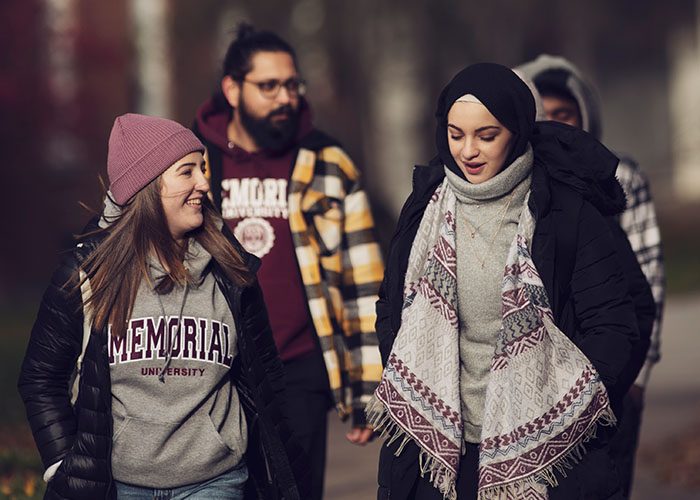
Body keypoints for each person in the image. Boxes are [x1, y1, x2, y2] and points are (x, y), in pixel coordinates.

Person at [368, 63, 648, 500]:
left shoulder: (565, 210)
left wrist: (569, 410)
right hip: (441, 453)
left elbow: (615, 326)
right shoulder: (425, 206)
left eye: (486, 135)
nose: (468, 151)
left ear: (516, 131)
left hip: (548, 453)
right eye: (456, 134)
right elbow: (391, 307)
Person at [18, 113, 308, 499]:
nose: (204, 183)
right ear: (148, 186)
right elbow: (41, 378)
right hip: (119, 487)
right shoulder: (89, 274)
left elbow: (266, 377)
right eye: (187, 171)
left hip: (215, 480)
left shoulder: (230, 269)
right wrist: (61, 466)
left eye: (202, 169)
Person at [193, 24, 384, 499]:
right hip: (215, 367)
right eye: (269, 86)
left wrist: (369, 389)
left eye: (292, 85)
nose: (285, 97)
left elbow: (363, 281)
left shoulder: (327, 162)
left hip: (298, 370)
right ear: (233, 88)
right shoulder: (194, 160)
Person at [516, 54, 665, 496]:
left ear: (586, 116)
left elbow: (647, 279)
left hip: (611, 368)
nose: (554, 124)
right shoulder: (521, 182)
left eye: (564, 115)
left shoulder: (620, 177)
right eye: (543, 114)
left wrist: (639, 377)